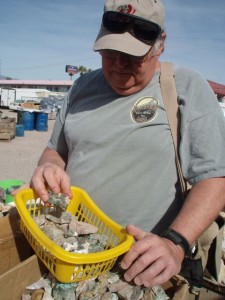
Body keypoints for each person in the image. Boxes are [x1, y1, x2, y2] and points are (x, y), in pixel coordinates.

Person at [30, 0, 225, 288]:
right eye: (110, 53)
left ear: (160, 44)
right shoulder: (82, 87)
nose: (119, 65)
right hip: (69, 254)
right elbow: (56, 150)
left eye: (133, 56)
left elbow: (216, 178)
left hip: (140, 269)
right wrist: (48, 167)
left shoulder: (185, 86)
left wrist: (175, 244)